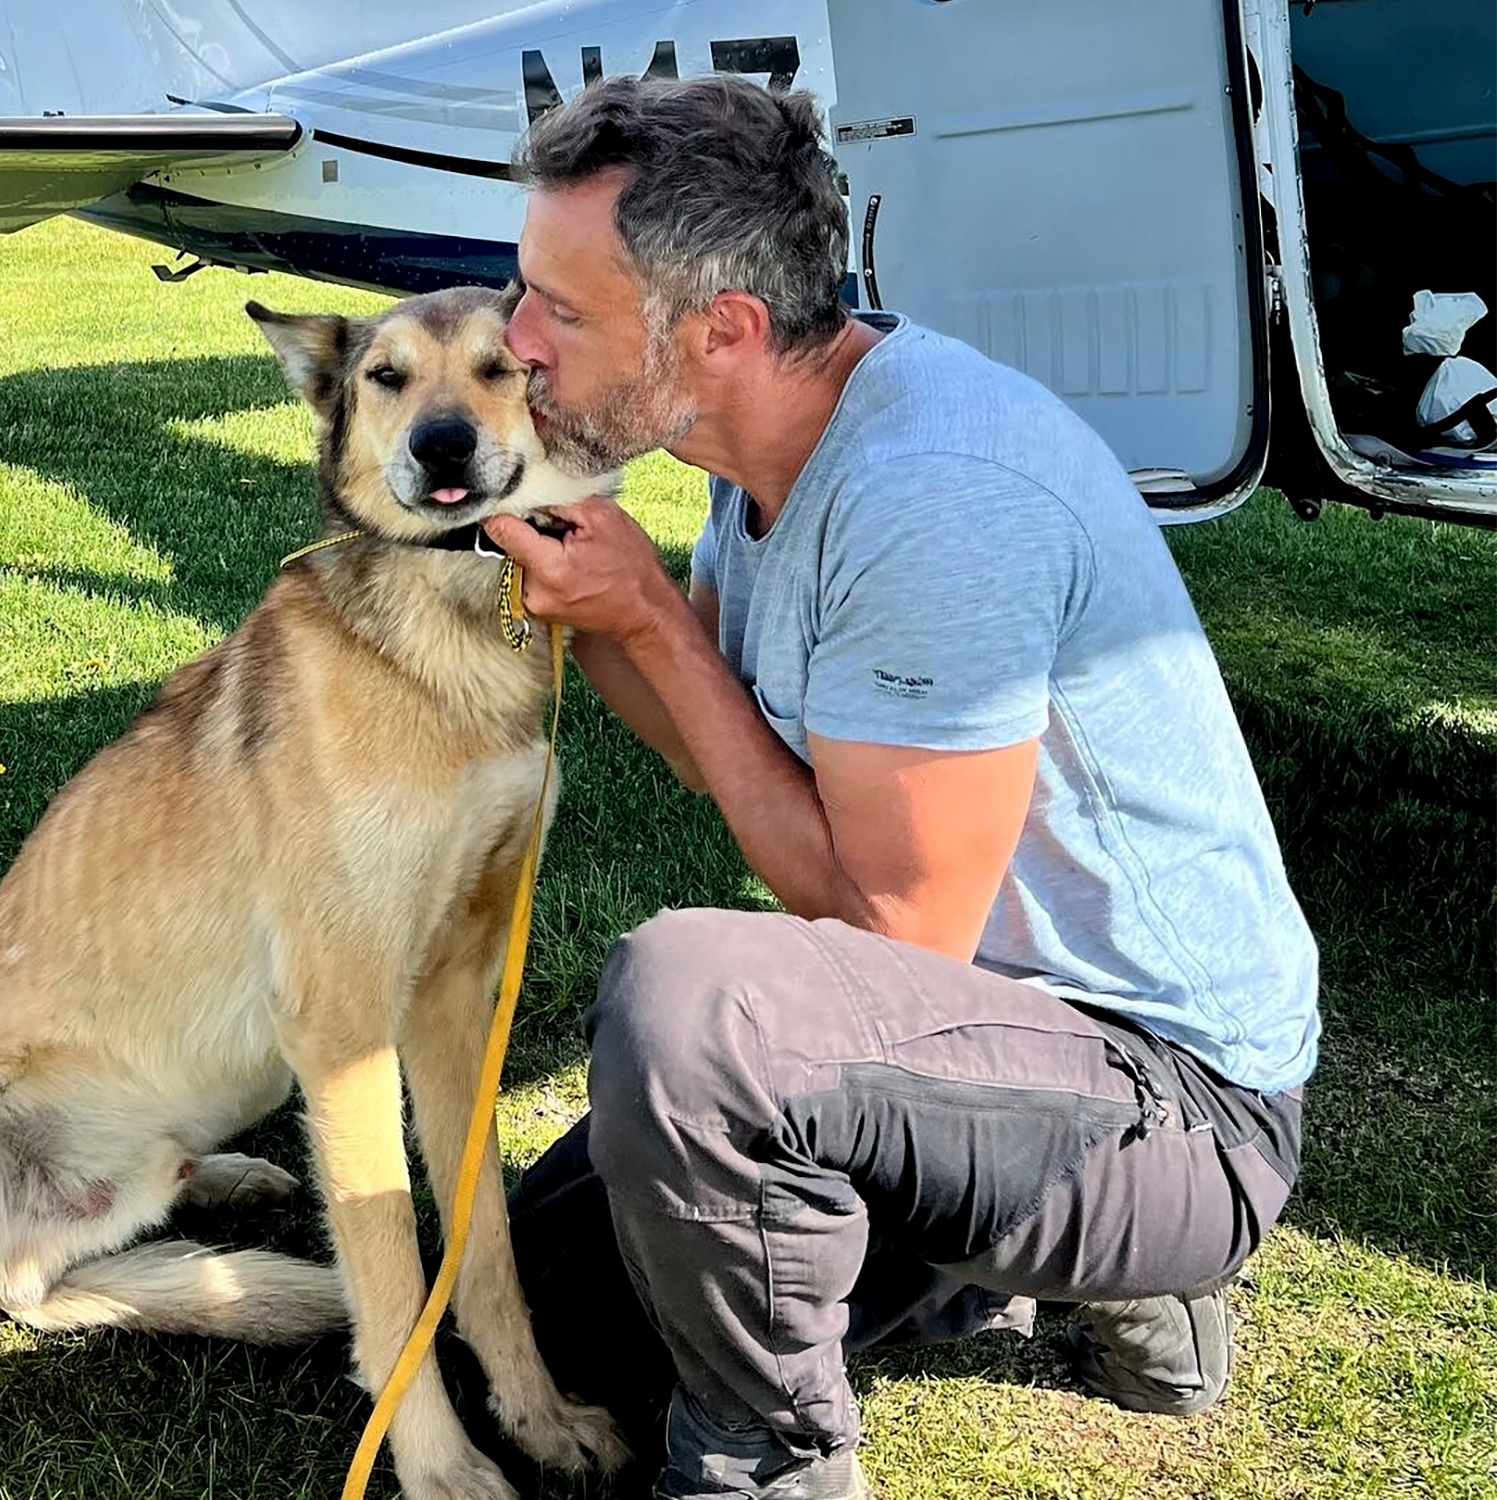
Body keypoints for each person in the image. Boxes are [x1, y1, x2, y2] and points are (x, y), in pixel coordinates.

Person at [477, 74, 1321, 1500]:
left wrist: (655, 624)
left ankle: (771, 1460)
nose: (517, 342)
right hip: (974, 1054)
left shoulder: (934, 491)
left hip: (1173, 1103)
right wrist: (613, 616)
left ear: (722, 328)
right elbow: (736, 754)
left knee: (700, 1006)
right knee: (507, 1316)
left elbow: (895, 931)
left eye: (559, 307)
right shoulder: (754, 443)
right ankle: (1020, 1270)